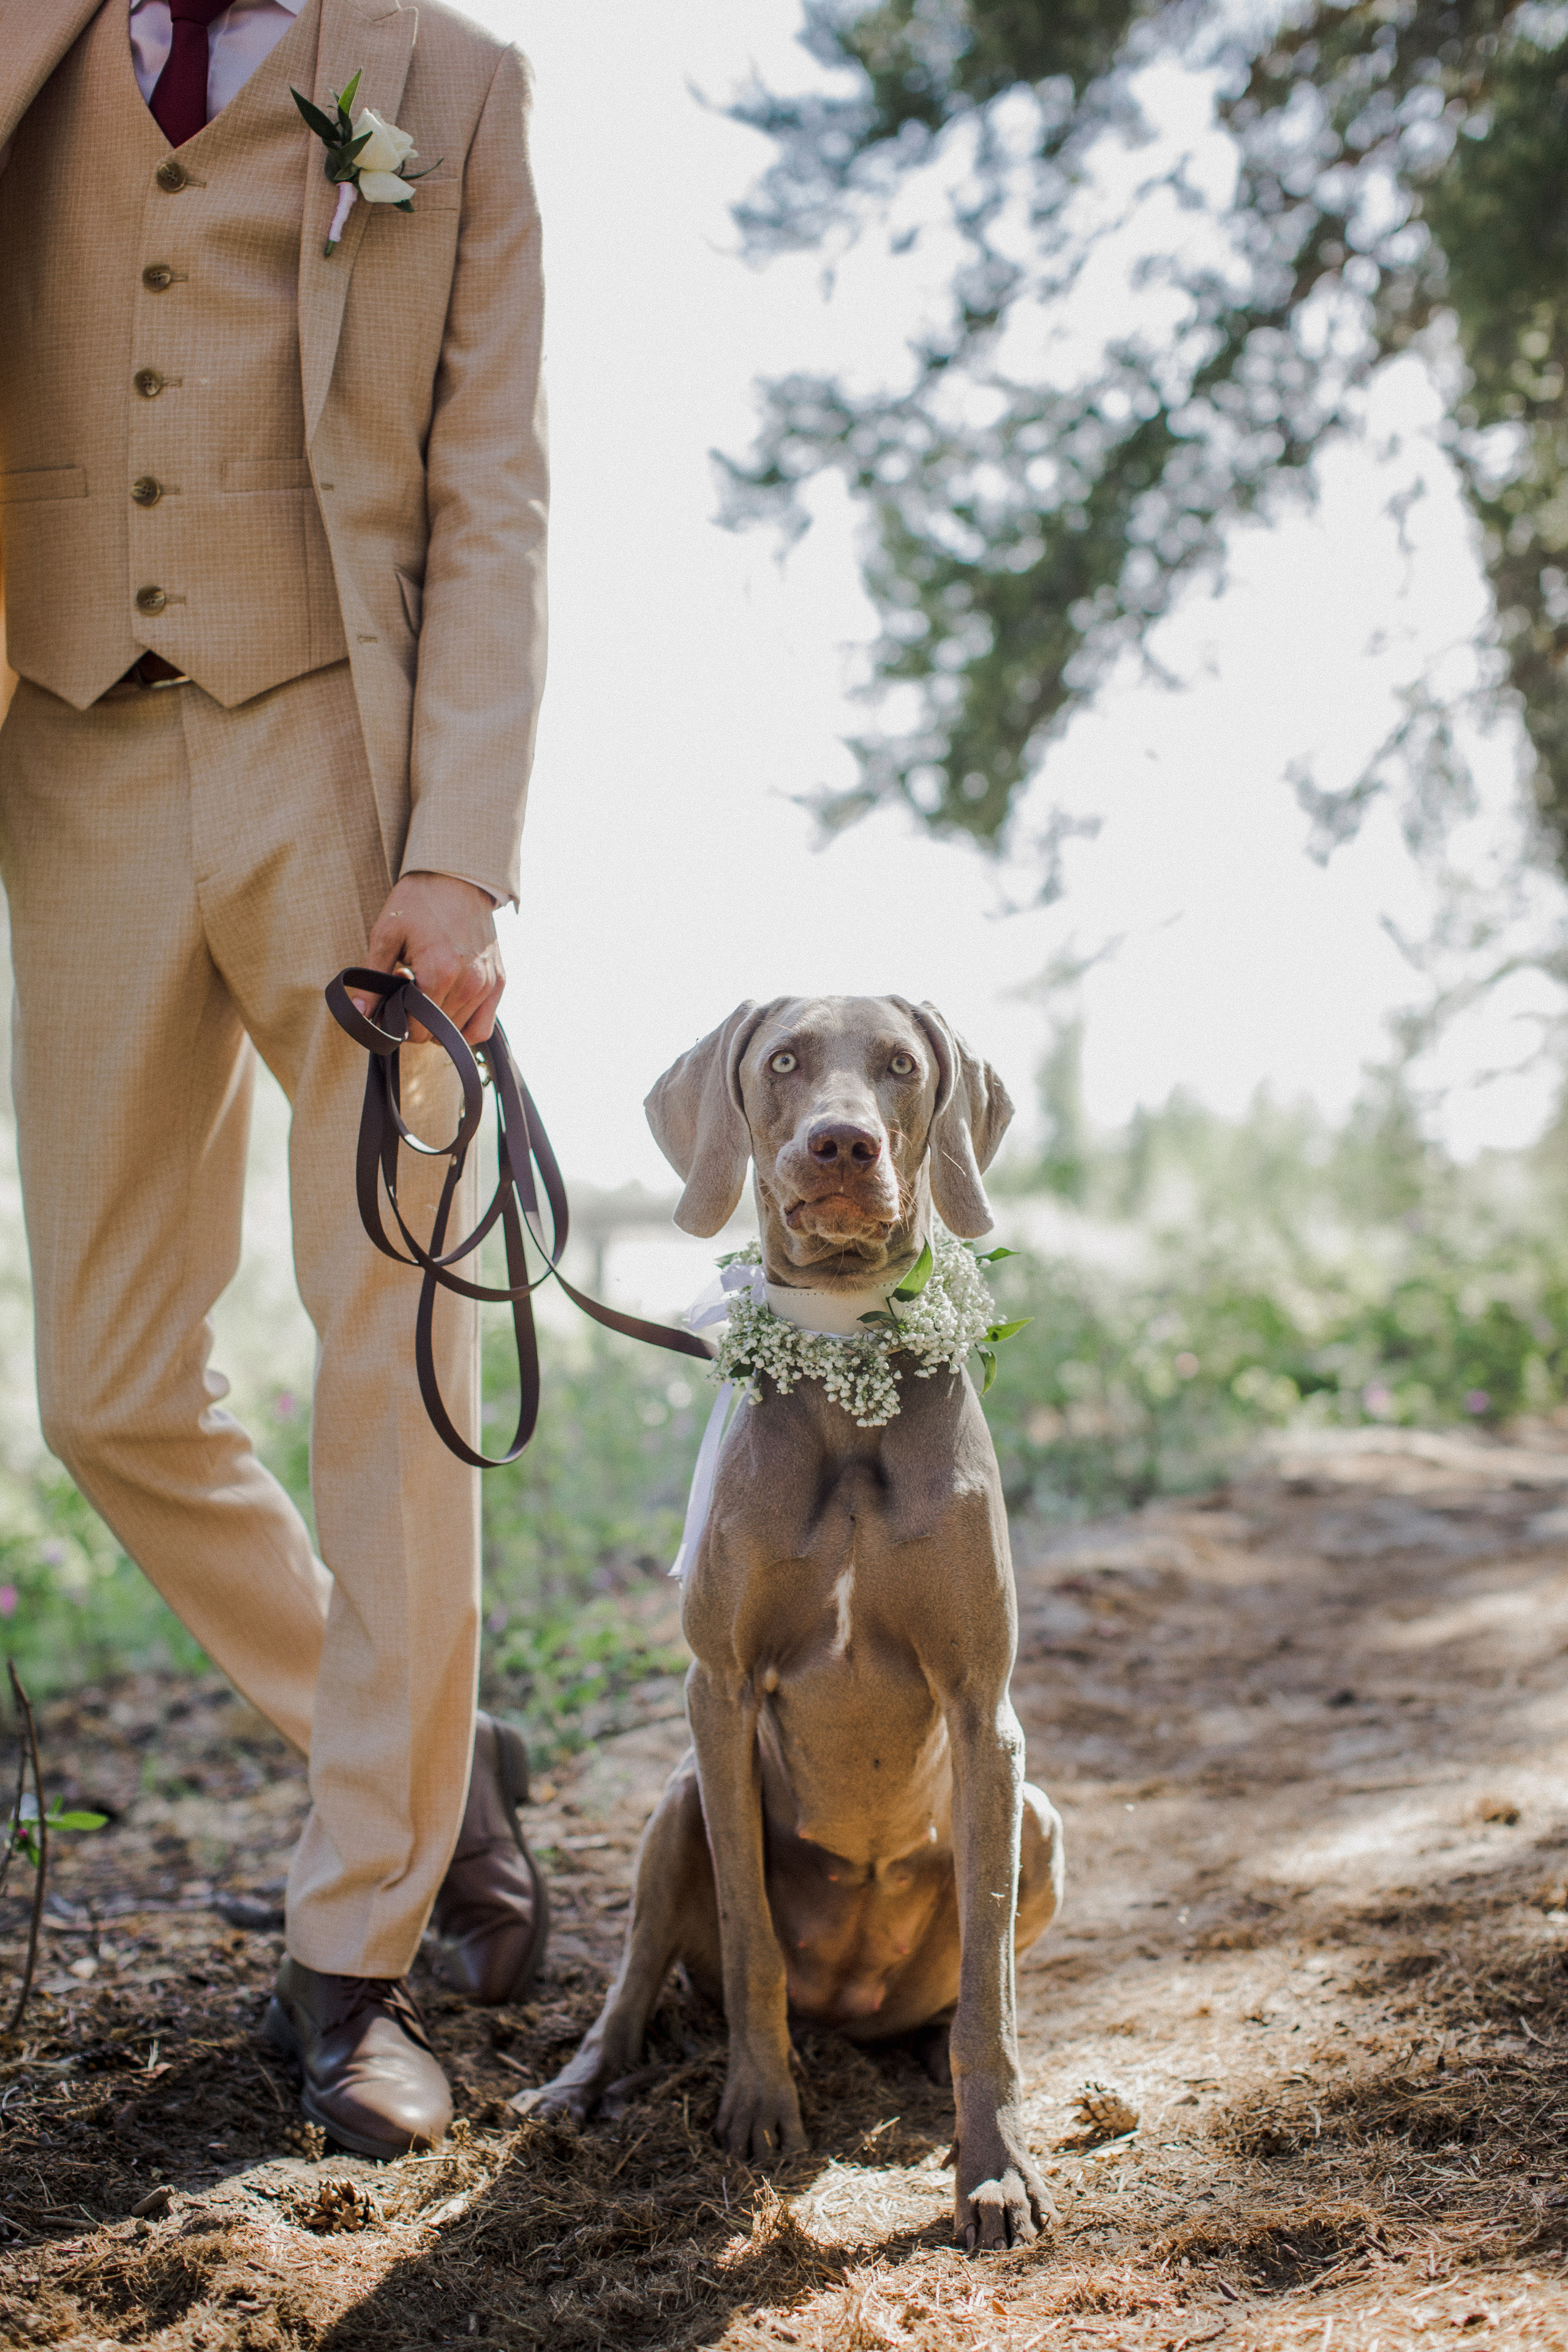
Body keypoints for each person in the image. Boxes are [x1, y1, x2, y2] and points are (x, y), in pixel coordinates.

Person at [0, 0, 549, 2158]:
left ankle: (356, 1969)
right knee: (110, 1389)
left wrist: (459, 854)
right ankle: (423, 1753)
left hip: (341, 764)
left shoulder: (452, 78)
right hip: (70, 757)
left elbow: (494, 489)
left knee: (385, 1349)